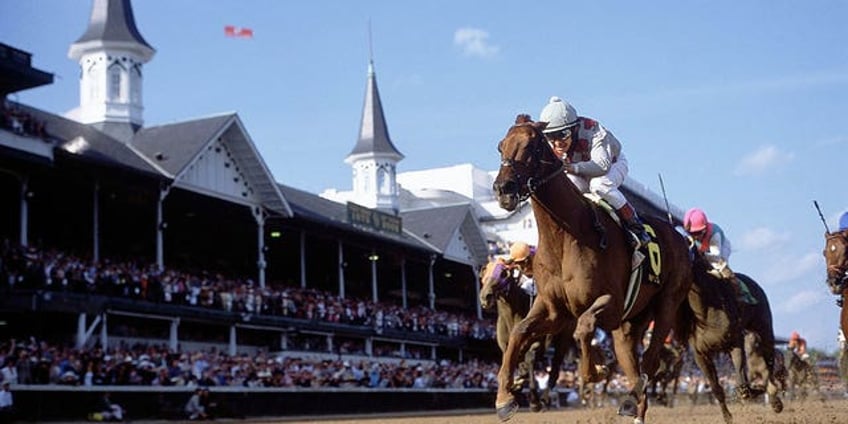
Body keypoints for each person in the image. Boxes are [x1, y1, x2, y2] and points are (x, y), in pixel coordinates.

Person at [538, 96, 651, 254]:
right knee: (567, 188)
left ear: (574, 128)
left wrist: (573, 168)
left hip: (613, 164)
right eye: (551, 136)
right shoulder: (552, 143)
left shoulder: (594, 130)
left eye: (562, 134)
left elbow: (602, 166)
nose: (557, 143)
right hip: (581, 168)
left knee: (599, 186)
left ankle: (635, 225)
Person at [683, 208, 734, 280]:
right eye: (692, 233)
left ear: (704, 229)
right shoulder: (691, 234)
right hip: (705, 247)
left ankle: (730, 280)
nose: (695, 236)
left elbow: (716, 256)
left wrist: (703, 255)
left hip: (721, 248)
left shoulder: (715, 236)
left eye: (698, 233)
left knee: (718, 265)